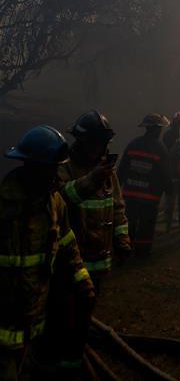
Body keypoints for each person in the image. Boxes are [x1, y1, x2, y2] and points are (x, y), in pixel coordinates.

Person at [0, 126, 95, 380]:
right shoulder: (4, 207)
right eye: (49, 168)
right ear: (30, 167)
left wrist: (82, 281)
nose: (55, 175)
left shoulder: (55, 204)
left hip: (35, 323)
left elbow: (67, 244)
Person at [60, 110, 131, 281]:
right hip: (69, 262)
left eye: (101, 143)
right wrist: (92, 179)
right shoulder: (64, 165)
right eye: (92, 143)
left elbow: (117, 207)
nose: (97, 149)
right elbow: (61, 199)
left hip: (99, 262)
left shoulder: (106, 170)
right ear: (80, 141)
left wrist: (122, 241)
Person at [118, 114, 172, 255]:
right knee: (146, 226)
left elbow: (122, 169)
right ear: (157, 129)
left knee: (129, 222)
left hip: (131, 194)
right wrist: (170, 192)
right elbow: (166, 174)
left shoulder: (133, 144)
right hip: (150, 197)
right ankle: (142, 252)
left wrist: (117, 189)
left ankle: (125, 250)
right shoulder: (160, 148)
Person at [162, 110, 180, 232]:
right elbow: (167, 155)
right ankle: (168, 226)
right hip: (172, 173)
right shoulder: (168, 136)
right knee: (170, 201)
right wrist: (176, 145)